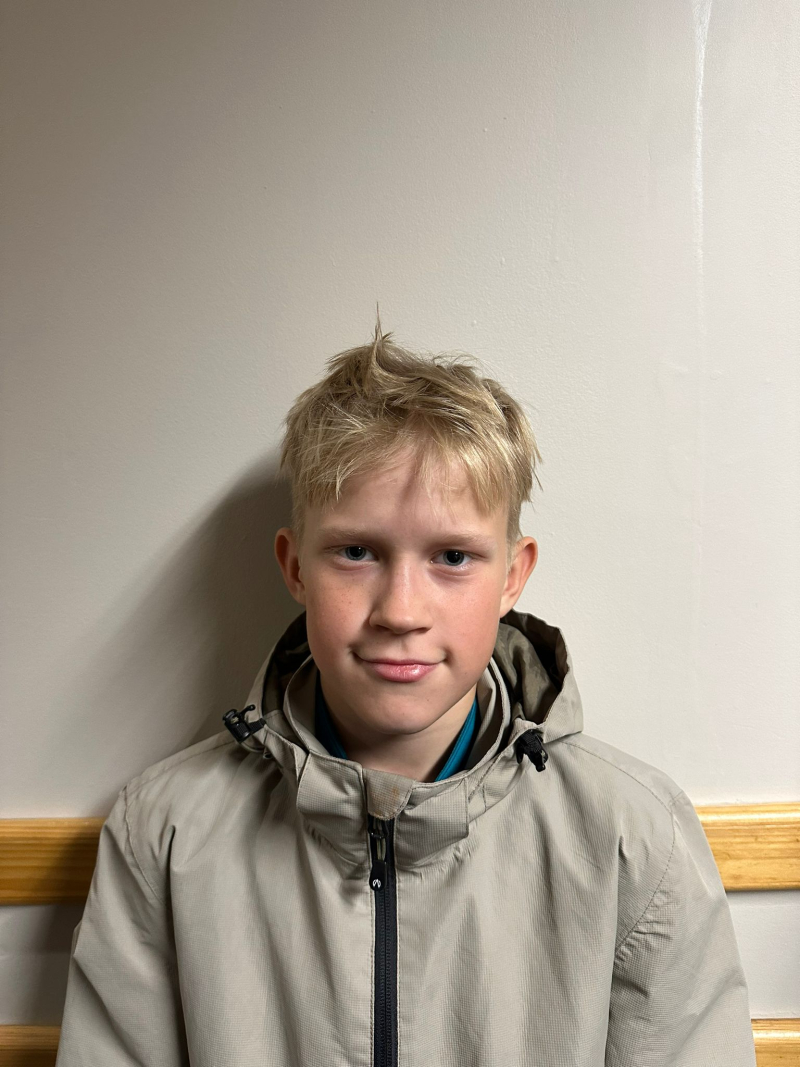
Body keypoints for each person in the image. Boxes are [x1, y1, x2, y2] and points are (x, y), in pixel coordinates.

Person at [56, 321, 757, 1066]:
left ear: (512, 576)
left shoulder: (632, 837)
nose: (400, 611)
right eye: (356, 551)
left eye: (452, 556)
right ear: (295, 568)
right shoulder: (163, 833)